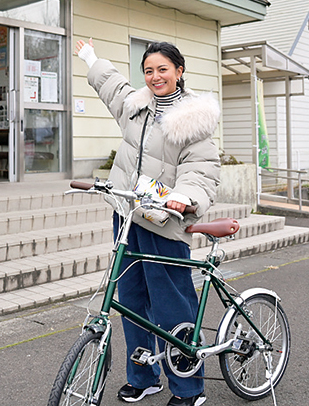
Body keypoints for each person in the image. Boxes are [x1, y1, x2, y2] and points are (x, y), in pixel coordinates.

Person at [75, 38, 221, 406]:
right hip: (128, 218)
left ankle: (189, 388)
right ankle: (143, 376)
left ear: (179, 71)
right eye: (149, 70)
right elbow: (112, 86)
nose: (155, 77)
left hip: (164, 222)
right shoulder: (136, 106)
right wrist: (91, 58)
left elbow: (202, 170)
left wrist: (185, 197)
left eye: (163, 69)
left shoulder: (193, 120)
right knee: (132, 299)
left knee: (171, 305)